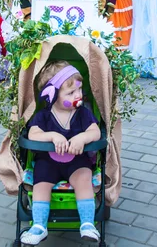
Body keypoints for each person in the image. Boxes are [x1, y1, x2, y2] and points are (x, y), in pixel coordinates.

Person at [20, 61, 102, 245]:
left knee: (83, 179)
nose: (78, 95)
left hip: (77, 162)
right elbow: (33, 134)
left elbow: (95, 132)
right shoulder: (44, 116)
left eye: (79, 90)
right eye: (71, 92)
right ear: (53, 95)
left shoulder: (83, 113)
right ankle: (39, 226)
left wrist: (82, 138)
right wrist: (52, 136)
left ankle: (88, 223)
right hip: (48, 162)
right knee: (41, 184)